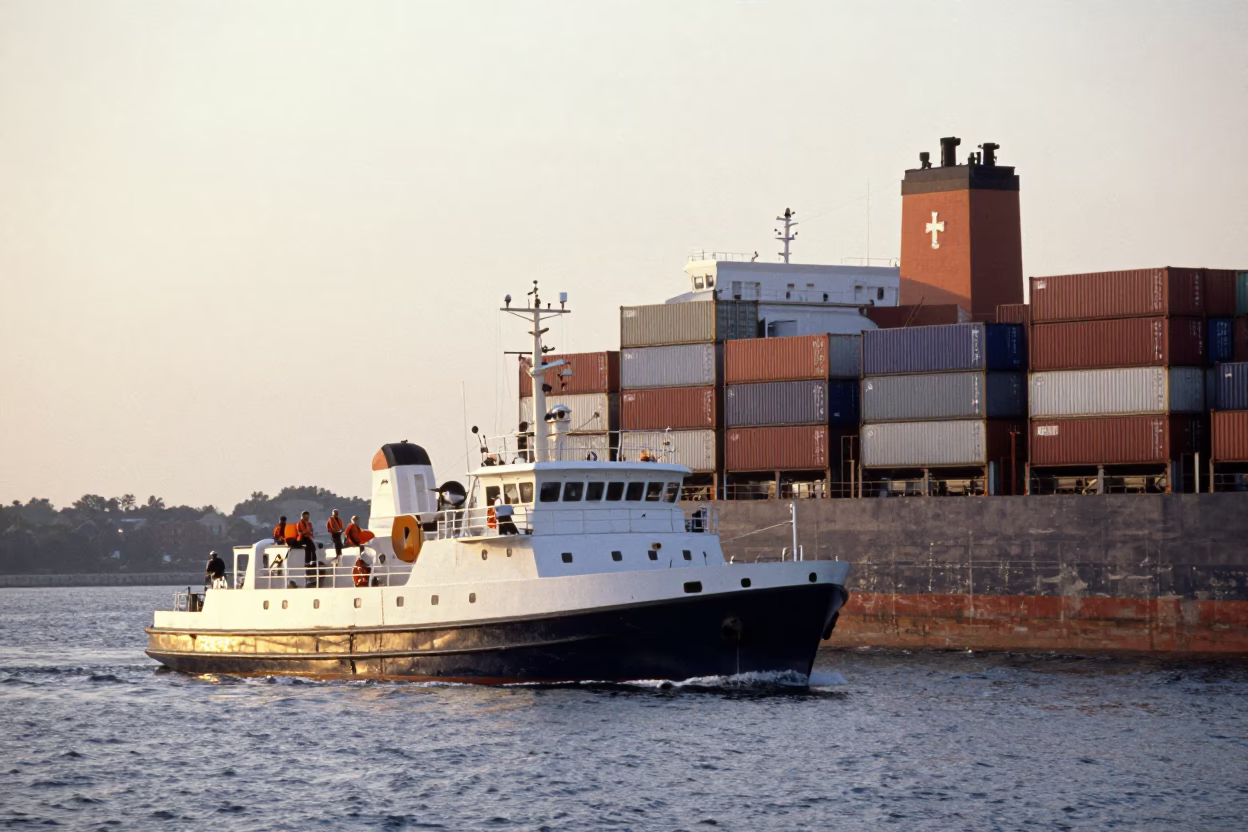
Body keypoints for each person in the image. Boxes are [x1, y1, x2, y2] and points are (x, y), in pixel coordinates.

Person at [294, 511, 317, 586]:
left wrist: (310, 532)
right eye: (306, 516)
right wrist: (307, 532)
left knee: (311, 548)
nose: (307, 517)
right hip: (303, 538)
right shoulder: (300, 523)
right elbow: (300, 532)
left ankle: (311, 560)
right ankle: (311, 561)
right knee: (312, 547)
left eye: (308, 516)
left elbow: (310, 531)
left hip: (307, 537)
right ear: (303, 516)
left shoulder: (308, 523)